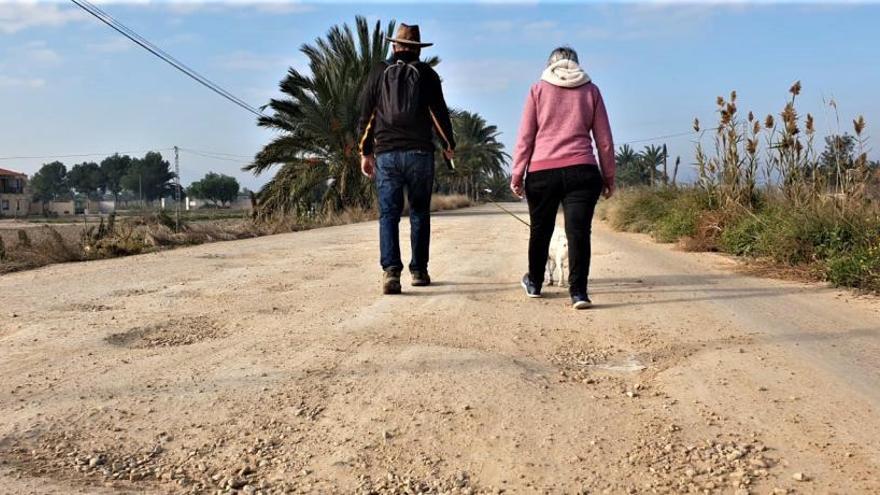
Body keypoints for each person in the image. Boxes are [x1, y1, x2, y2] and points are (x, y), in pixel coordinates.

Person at [510, 46, 616, 309]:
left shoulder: (538, 90)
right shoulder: (591, 90)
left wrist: (517, 174)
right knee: (579, 233)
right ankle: (578, 293)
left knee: (540, 230)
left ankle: (534, 282)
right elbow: (604, 141)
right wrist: (609, 176)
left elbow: (525, 137)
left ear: (549, 66)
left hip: (542, 172)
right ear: (577, 65)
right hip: (583, 170)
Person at [358, 24, 456, 295]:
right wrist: (449, 145)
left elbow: (367, 116)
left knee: (388, 214)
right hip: (420, 154)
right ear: (417, 49)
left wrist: (365, 152)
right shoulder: (427, 74)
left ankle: (391, 272)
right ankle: (419, 270)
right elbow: (439, 114)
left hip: (387, 154)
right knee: (419, 212)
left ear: (394, 46)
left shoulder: (379, 72)